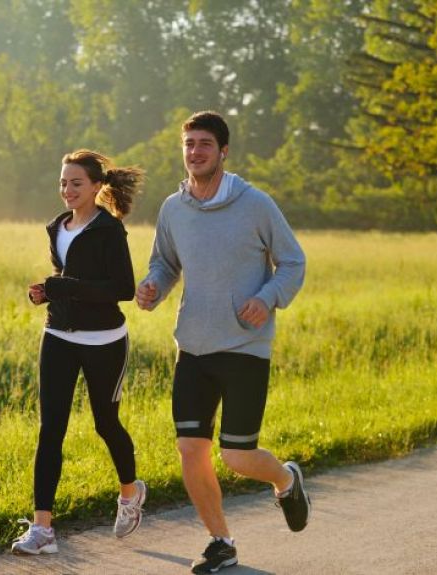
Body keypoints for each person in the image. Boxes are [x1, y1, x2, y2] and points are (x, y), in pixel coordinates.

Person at [135, 111, 309, 573]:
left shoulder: (255, 204)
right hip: (192, 347)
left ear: (223, 151)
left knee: (236, 455)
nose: (195, 151)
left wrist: (267, 296)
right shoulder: (173, 208)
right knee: (191, 449)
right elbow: (165, 264)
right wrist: (152, 286)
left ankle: (285, 479)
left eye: (205, 144)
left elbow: (292, 262)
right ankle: (221, 542)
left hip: (244, 347)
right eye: (189, 143)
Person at [12, 149, 146, 555]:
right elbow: (66, 277)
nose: (67, 190)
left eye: (76, 183)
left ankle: (129, 492)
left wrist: (63, 287)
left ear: (95, 187)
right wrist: (46, 291)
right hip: (58, 336)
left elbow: (122, 289)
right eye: (63, 183)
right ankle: (42, 529)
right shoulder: (57, 227)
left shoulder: (109, 229)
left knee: (106, 423)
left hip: (104, 341)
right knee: (50, 429)